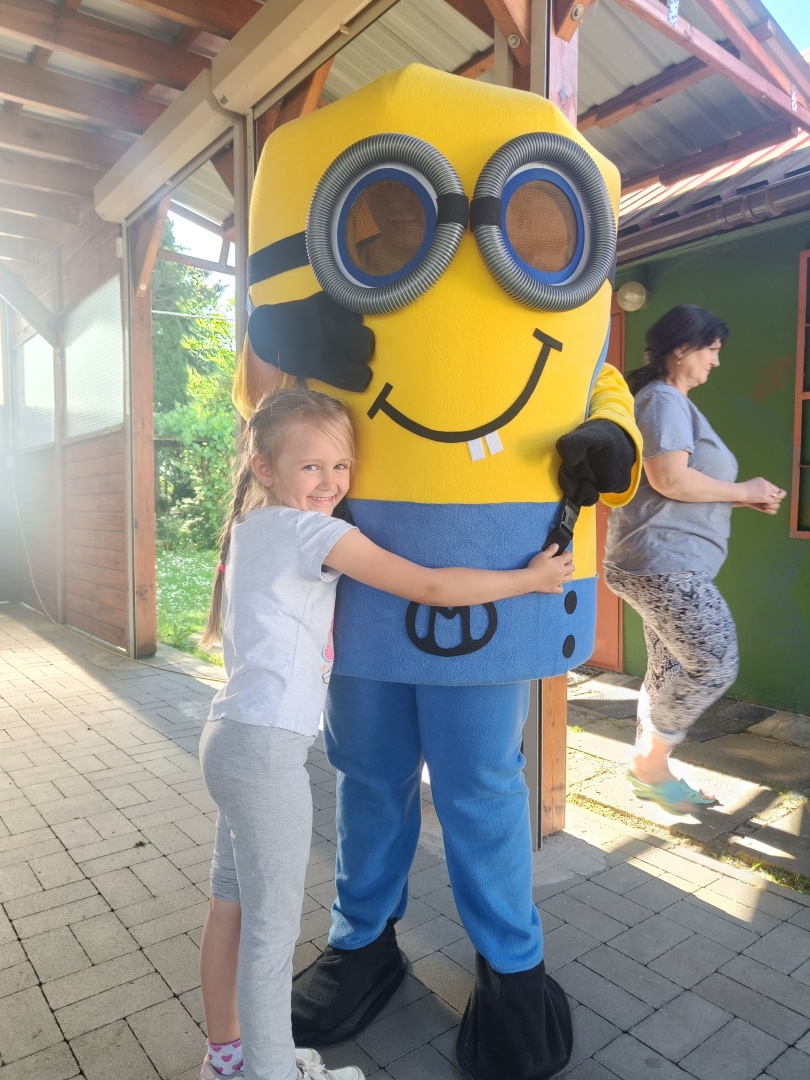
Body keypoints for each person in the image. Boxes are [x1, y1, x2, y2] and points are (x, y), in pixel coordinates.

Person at [195, 385, 575, 1080]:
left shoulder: (250, 528)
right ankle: (271, 1071)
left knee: (232, 907)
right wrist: (530, 580)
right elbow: (431, 589)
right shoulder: (316, 533)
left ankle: (225, 1057)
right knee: (270, 932)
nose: (331, 482)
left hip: (229, 737)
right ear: (264, 466)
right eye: (311, 466)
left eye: (342, 466)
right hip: (268, 753)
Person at [603, 305, 786, 814]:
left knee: (668, 668)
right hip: (662, 562)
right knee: (714, 663)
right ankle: (650, 765)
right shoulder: (662, 399)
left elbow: (677, 486)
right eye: (712, 350)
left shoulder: (669, 401)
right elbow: (669, 479)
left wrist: (742, 497)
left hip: (659, 560)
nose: (716, 362)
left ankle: (650, 771)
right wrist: (743, 488)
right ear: (682, 348)